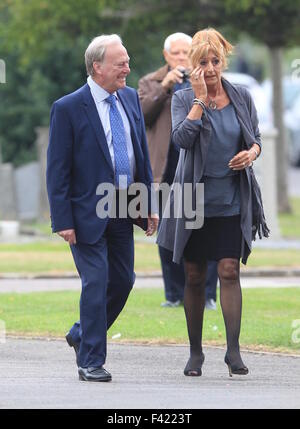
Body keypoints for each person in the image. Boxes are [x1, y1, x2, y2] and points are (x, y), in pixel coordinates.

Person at [47, 34, 158, 382]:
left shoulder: (128, 98)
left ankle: (81, 335)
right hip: (85, 214)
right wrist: (62, 219)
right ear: (98, 67)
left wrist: (147, 205)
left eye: (127, 60)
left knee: (123, 280)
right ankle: (90, 360)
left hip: (124, 207)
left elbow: (141, 156)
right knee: (96, 281)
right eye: (120, 62)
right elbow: (58, 171)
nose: (128, 67)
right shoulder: (67, 108)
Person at [157, 28, 268, 377]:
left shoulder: (242, 96)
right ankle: (195, 353)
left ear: (224, 61)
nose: (209, 68)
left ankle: (233, 352)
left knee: (229, 270)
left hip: (231, 198)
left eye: (215, 61)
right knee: (193, 275)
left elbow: (257, 139)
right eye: (202, 62)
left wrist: (251, 153)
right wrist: (200, 101)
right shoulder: (183, 98)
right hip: (193, 199)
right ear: (192, 64)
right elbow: (182, 140)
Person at [138, 32, 218, 308]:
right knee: (167, 233)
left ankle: (207, 294)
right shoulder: (150, 81)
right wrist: (165, 86)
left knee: (203, 230)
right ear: (166, 56)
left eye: (187, 52)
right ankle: (173, 294)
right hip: (165, 170)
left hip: (196, 166)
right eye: (177, 53)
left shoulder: (205, 79)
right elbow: (143, 116)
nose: (182, 58)